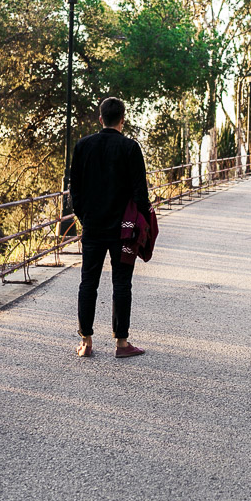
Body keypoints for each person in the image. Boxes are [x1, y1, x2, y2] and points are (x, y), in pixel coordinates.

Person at [68, 97, 151, 358]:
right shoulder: (130, 148)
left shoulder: (83, 146)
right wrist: (142, 225)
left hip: (93, 228)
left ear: (100, 118)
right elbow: (140, 192)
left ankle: (86, 342)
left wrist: (84, 217)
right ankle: (122, 344)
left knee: (88, 282)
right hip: (122, 230)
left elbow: (75, 190)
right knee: (122, 283)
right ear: (122, 120)